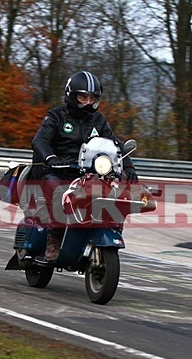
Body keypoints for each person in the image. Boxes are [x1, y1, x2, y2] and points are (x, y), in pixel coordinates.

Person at [31, 70, 139, 262]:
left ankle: (110, 227)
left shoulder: (98, 120)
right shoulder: (56, 116)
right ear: (71, 96)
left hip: (90, 171)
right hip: (59, 170)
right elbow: (40, 140)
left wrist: (128, 167)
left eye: (92, 98)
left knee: (118, 192)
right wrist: (51, 158)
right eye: (83, 97)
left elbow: (115, 145)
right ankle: (54, 236)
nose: (88, 102)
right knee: (59, 190)